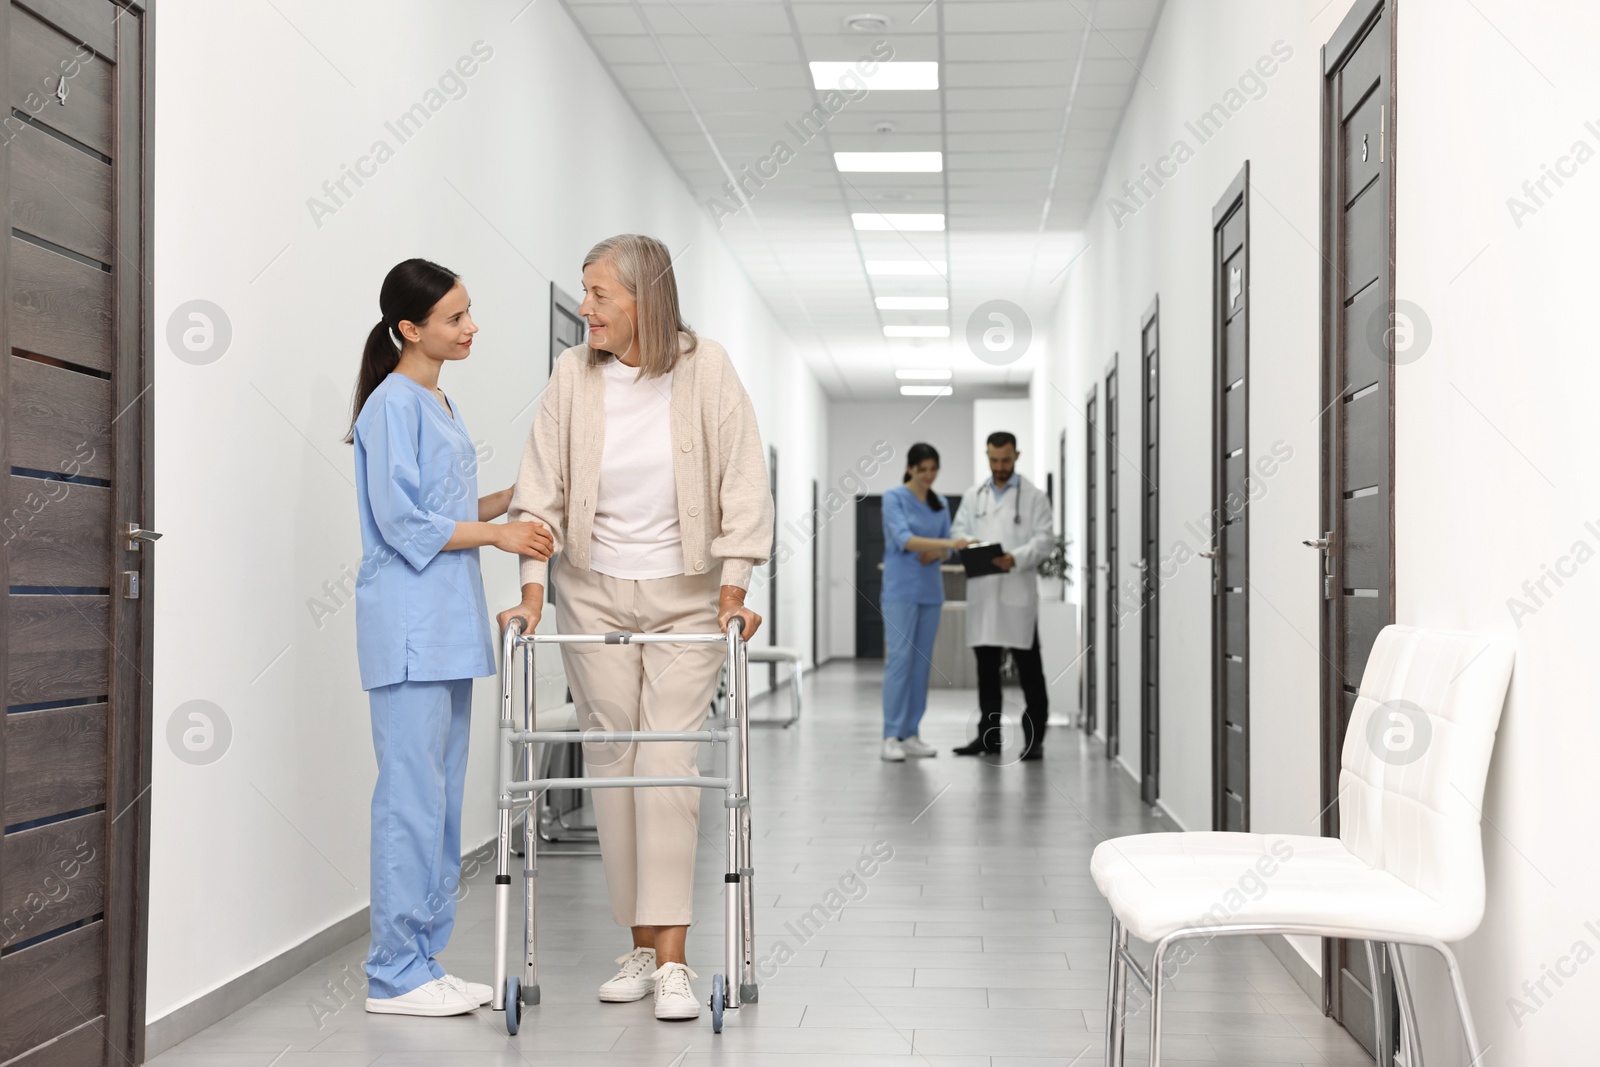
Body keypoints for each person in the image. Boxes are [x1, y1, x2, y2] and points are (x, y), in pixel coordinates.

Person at [496, 234, 772, 1022]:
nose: (585, 309)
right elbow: (541, 488)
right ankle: (642, 945)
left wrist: (734, 585)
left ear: (644, 299)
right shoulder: (570, 377)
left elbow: (744, 480)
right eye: (584, 294)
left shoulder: (707, 367)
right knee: (613, 757)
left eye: (599, 295)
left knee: (669, 758)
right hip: (594, 592)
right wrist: (531, 592)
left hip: (687, 596)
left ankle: (677, 958)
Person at [347, 258, 554, 1017]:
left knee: (438, 803)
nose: (471, 328)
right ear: (411, 329)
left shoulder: (439, 401)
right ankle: (392, 973)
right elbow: (405, 523)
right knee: (408, 800)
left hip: (447, 629)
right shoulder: (390, 407)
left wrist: (519, 500)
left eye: (469, 313)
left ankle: (422, 959)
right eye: (455, 318)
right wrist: (497, 535)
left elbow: (453, 504)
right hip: (408, 630)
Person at [949, 432, 1055, 761]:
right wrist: (967, 543)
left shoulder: (1034, 497)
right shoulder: (973, 495)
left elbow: (1045, 540)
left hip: (1016, 591)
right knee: (986, 673)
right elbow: (958, 531)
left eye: (1005, 460)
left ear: (1016, 456)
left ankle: (1034, 739)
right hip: (984, 593)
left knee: (1030, 672)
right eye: (993, 460)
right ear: (987, 456)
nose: (999, 467)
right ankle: (989, 738)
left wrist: (1016, 557)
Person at [879, 443, 971, 762]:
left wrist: (941, 551)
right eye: (923, 469)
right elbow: (904, 540)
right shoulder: (894, 499)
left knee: (921, 666)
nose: (928, 475)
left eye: (933, 469)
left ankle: (911, 733)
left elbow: (947, 549)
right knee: (900, 661)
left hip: (931, 592)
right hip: (901, 592)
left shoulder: (940, 503)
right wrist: (947, 544)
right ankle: (890, 735)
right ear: (910, 468)